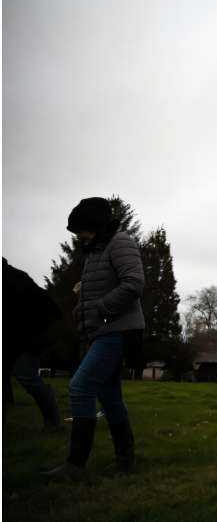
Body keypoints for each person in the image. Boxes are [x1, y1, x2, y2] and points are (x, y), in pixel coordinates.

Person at [43, 197, 145, 481]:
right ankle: (126, 461)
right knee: (109, 396)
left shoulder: (120, 242)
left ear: (95, 225)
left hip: (117, 331)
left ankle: (75, 466)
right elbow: (99, 287)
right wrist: (81, 307)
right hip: (101, 331)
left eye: (81, 230)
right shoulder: (95, 251)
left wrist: (101, 308)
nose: (79, 236)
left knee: (81, 386)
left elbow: (134, 282)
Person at [2, 258, 63, 431]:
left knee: (25, 374)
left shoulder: (12, 278)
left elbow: (47, 308)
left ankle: (53, 422)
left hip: (35, 334)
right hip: (14, 336)